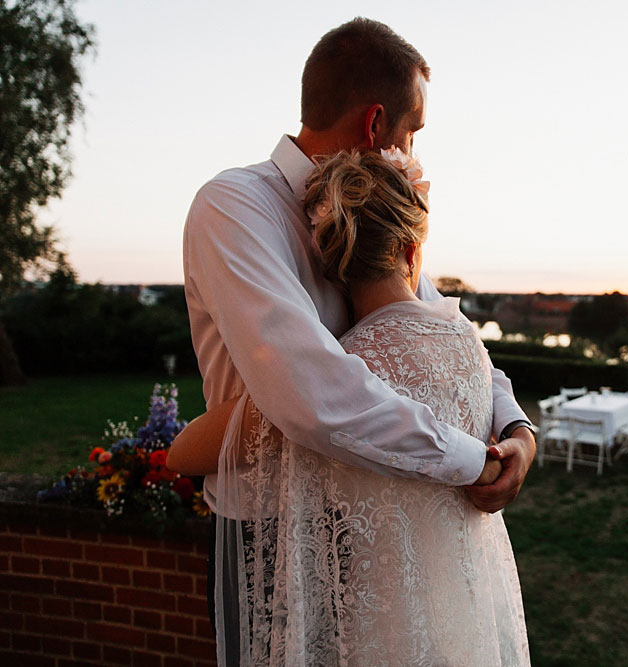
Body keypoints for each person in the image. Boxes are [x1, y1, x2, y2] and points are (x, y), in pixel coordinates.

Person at [177, 17, 534, 665]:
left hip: (379, 532)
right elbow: (311, 390)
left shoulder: (369, 216)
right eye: (413, 131)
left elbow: (443, 331)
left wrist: (516, 431)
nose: (414, 151)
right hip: (272, 536)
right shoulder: (235, 209)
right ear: (376, 126)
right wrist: (470, 458)